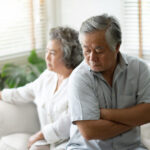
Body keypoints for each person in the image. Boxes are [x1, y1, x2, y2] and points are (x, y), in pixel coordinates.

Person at [67, 14, 150, 150]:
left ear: (116, 47)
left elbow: (148, 113)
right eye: (87, 50)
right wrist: (134, 119)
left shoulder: (139, 68)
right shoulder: (79, 77)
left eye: (99, 50)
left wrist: (104, 113)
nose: (92, 58)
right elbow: (90, 131)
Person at [0, 26, 83, 150]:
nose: (47, 57)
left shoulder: (79, 83)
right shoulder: (48, 76)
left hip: (70, 141)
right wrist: (2, 94)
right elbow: (24, 92)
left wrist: (41, 135)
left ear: (67, 55)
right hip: (49, 140)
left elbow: (70, 120)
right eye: (47, 51)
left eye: (53, 53)